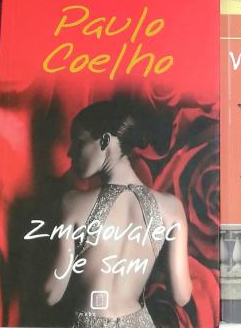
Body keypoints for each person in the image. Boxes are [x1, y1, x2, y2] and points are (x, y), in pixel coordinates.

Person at [45, 101, 191, 328]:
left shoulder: (72, 203)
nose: (70, 152)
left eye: (79, 142)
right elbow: (181, 296)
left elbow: (51, 294)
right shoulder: (172, 208)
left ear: (105, 141)